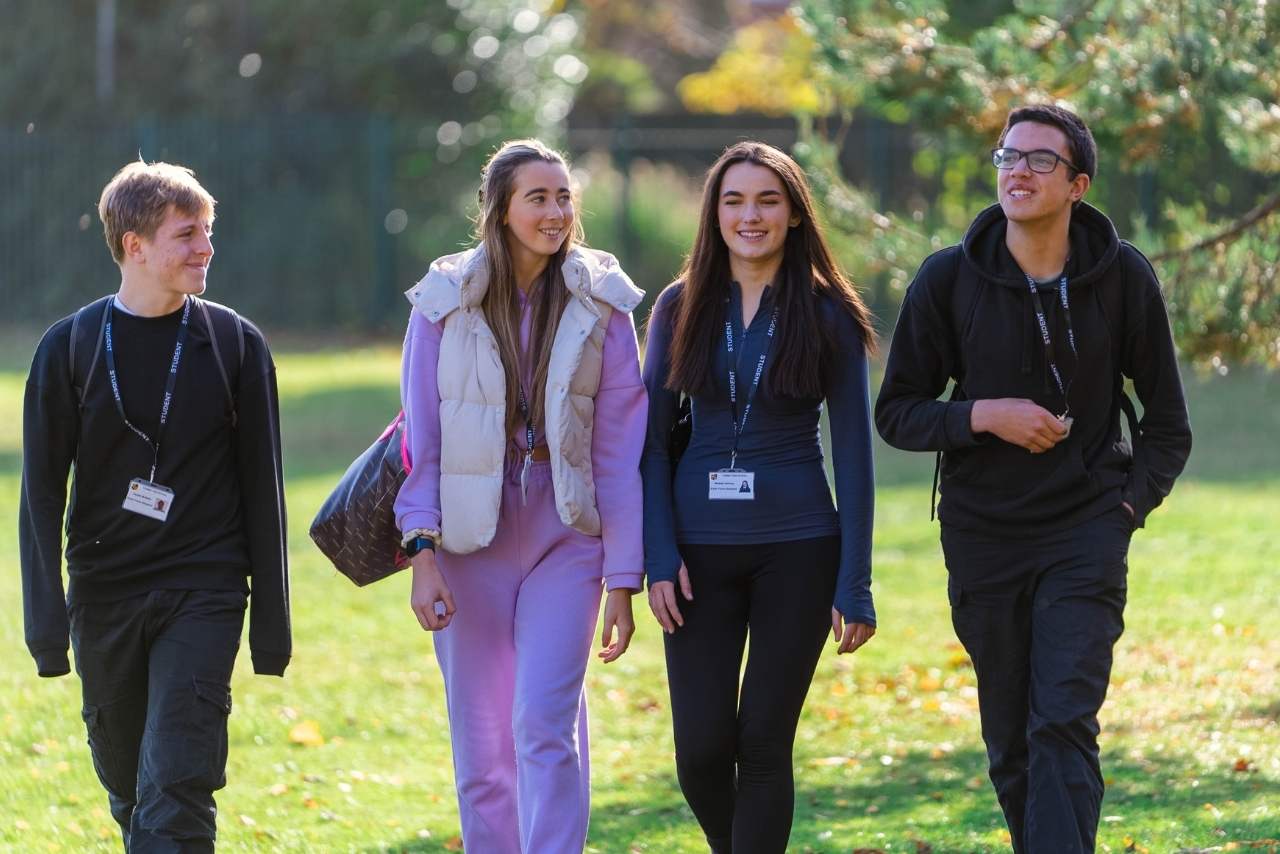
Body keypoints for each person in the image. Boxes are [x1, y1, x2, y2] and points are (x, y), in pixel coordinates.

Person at [875, 104, 1193, 851]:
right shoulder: (949, 278)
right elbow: (897, 413)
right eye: (1008, 156)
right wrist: (984, 415)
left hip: (1085, 530)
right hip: (983, 536)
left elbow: (1168, 424)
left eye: (1040, 160)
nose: (1018, 171)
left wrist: (1125, 507)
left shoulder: (1123, 277)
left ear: (1077, 184)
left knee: (1063, 723)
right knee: (1012, 742)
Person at [19, 160, 290, 851]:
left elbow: (264, 489)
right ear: (134, 245)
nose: (206, 248)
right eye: (187, 234)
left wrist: (273, 628)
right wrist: (46, 626)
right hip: (104, 593)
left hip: (205, 587)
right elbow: (41, 494)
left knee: (177, 780)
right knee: (130, 787)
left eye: (208, 231)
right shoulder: (69, 347)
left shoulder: (235, 344)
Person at [394, 139, 646, 853]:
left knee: (543, 724)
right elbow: (421, 438)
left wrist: (623, 577)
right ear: (499, 210)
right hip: (468, 540)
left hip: (566, 536)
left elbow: (618, 448)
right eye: (537, 197)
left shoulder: (603, 300)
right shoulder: (443, 301)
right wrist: (422, 552)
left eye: (564, 196)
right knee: (481, 748)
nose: (555, 211)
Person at [640, 141, 877, 854]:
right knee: (702, 752)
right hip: (696, 555)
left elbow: (855, 455)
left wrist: (855, 582)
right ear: (714, 214)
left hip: (799, 550)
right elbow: (650, 446)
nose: (751, 215)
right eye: (735, 200)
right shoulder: (678, 305)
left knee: (766, 744)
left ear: (795, 214)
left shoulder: (829, 314)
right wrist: (658, 557)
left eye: (769, 200)